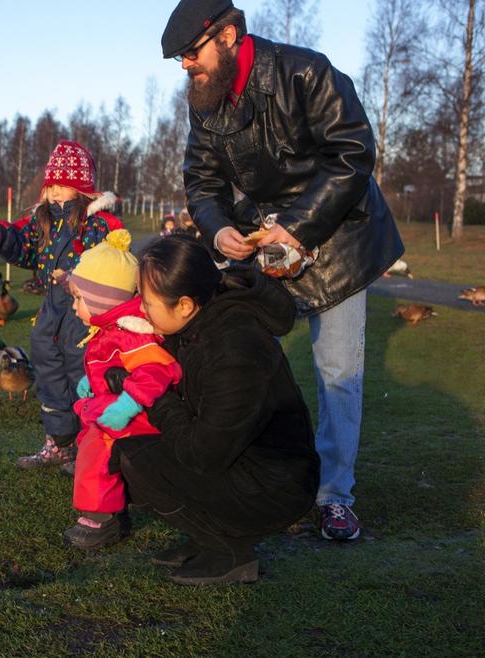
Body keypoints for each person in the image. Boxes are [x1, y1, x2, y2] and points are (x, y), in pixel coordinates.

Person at [161, 0, 404, 540]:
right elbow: (201, 183)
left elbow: (353, 154)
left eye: (189, 53)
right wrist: (218, 227)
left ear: (227, 36)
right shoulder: (205, 100)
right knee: (239, 356)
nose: (184, 66)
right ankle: (263, 474)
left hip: (339, 238)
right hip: (262, 243)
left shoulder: (306, 71)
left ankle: (335, 495)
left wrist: (297, 228)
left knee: (339, 373)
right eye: (177, 58)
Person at [117, 234, 320, 585]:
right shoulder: (199, 324)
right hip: (244, 462)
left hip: (275, 484)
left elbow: (203, 454)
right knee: (126, 450)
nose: (140, 309)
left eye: (147, 302)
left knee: (140, 461)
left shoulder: (234, 349)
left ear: (183, 304)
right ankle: (205, 538)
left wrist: (149, 393)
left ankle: (228, 551)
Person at [0, 141, 122, 469]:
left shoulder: (101, 225)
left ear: (81, 189)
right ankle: (58, 443)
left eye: (62, 186)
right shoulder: (42, 222)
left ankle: (89, 446)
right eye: (50, 185)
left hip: (84, 316)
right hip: (50, 312)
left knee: (82, 376)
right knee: (50, 376)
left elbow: (116, 264)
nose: (54, 193)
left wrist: (80, 279)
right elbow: (22, 244)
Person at [62, 229, 182, 550]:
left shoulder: (130, 333)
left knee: (99, 450)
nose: (74, 307)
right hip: (113, 404)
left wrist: (125, 407)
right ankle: (108, 507)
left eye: (78, 298)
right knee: (89, 441)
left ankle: (101, 520)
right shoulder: (109, 329)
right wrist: (93, 382)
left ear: (102, 300)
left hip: (136, 415)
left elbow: (156, 371)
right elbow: (111, 366)